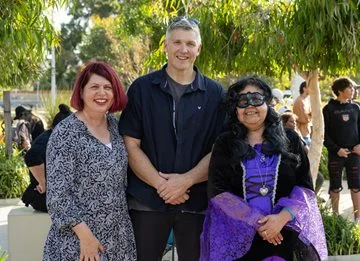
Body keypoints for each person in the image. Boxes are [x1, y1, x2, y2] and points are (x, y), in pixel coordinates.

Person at [119, 16, 226, 261]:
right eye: (177, 42)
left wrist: (185, 181)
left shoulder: (216, 94)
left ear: (199, 49)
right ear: (165, 46)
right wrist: (162, 185)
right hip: (147, 201)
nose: (183, 49)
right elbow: (130, 144)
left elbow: (220, 149)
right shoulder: (142, 89)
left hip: (196, 203)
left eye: (190, 43)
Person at [200, 76, 327, 260]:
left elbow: (305, 186)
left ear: (267, 104)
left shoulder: (290, 139)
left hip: (284, 235)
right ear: (235, 110)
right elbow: (217, 191)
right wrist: (259, 223)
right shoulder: (225, 143)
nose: (250, 106)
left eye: (256, 99)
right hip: (238, 240)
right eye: (242, 101)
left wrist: (281, 218)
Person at [43, 61, 136, 260]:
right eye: (94, 87)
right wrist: (86, 238)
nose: (101, 93)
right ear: (82, 92)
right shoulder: (66, 134)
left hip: (118, 238)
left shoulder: (115, 127)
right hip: (79, 241)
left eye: (107, 87)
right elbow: (58, 196)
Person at [21, 104, 72, 212]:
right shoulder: (47, 140)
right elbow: (31, 155)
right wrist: (43, 183)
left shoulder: (59, 139)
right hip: (44, 197)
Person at [323, 77, 360, 223]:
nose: (353, 90)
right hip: (336, 155)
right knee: (335, 186)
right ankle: (335, 217)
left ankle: (357, 219)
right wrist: (337, 149)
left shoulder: (356, 107)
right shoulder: (328, 109)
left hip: (354, 154)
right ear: (340, 91)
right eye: (350, 88)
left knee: (356, 186)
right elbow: (323, 134)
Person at [293, 81, 312, 146]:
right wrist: (311, 116)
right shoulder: (299, 101)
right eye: (310, 87)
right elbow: (303, 119)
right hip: (301, 134)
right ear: (304, 88)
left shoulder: (306, 100)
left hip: (306, 132)